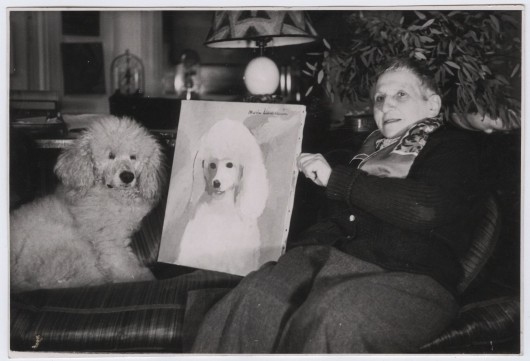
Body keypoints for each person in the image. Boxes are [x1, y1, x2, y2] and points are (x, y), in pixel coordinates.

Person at [190, 57, 481, 353]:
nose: (386, 106)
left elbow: (424, 207)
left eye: (400, 95)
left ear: (432, 105)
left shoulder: (453, 147)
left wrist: (336, 179)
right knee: (250, 296)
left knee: (334, 316)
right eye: (379, 98)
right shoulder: (367, 152)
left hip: (413, 277)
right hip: (332, 263)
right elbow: (334, 218)